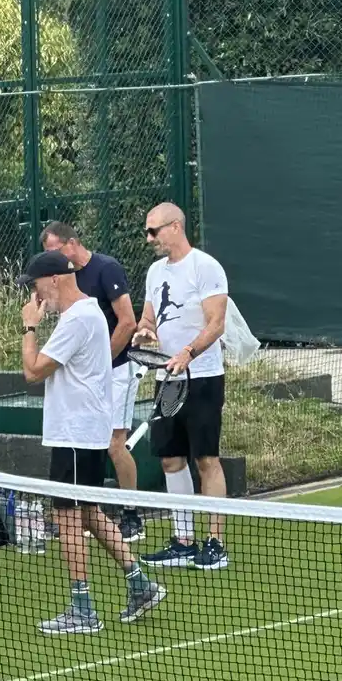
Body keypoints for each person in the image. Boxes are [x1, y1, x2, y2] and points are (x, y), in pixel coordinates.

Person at [18, 251, 166, 635]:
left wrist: (29, 328)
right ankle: (140, 583)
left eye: (35, 286)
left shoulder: (78, 318)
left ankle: (82, 608)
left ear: (53, 279)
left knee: (66, 519)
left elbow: (32, 371)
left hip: (75, 435)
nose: (35, 296)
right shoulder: (84, 315)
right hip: (83, 432)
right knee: (87, 512)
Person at [134, 203, 230, 571]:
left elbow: (216, 323)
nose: (149, 239)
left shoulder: (206, 267)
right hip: (167, 380)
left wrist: (189, 352)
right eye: (147, 231)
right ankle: (184, 540)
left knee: (206, 458)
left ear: (175, 227)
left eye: (154, 231)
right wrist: (145, 331)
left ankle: (215, 542)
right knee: (171, 458)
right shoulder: (155, 272)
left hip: (202, 377)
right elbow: (148, 317)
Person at [41, 221, 144, 541]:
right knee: (92, 444)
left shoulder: (106, 269)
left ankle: (131, 514)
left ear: (71, 244)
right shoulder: (63, 281)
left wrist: (100, 363)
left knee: (115, 443)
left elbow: (128, 322)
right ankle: (88, 515)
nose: (50, 260)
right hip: (88, 376)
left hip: (117, 370)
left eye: (54, 251)